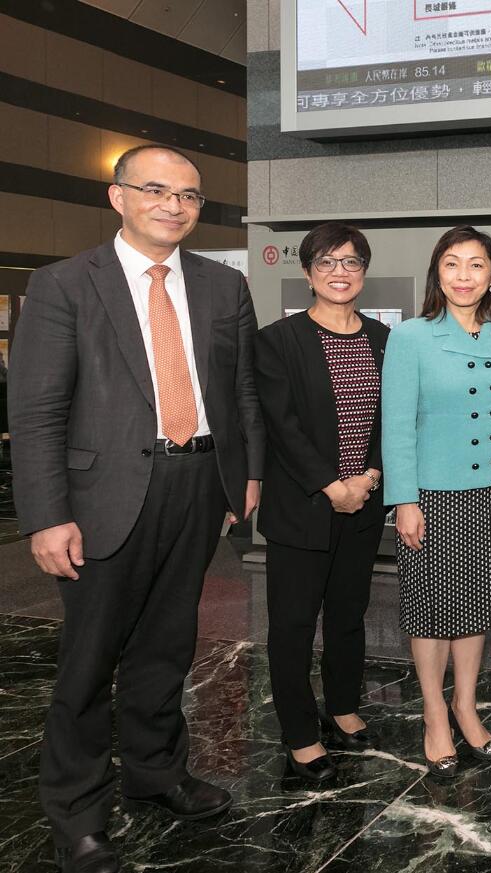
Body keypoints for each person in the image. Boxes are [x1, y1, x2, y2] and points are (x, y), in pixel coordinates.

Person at [9, 145, 263, 873]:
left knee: (168, 645)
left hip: (199, 485)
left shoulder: (223, 284)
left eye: (188, 195)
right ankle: (78, 814)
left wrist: (244, 475)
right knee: (89, 662)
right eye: (156, 190)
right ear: (117, 196)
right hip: (101, 499)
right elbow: (36, 412)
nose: (173, 206)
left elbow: (242, 390)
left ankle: (156, 773)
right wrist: (46, 515)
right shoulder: (63, 284)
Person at [381, 226, 491, 778]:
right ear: (437, 273)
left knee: (478, 604)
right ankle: (434, 712)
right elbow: (397, 424)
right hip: (432, 495)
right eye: (452, 264)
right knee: (432, 608)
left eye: (476, 265)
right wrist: (404, 500)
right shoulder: (411, 336)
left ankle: (466, 706)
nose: (464, 276)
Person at [254, 222, 390, 783]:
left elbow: (394, 417)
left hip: (365, 503)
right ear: (308, 272)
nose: (340, 272)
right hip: (303, 507)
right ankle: (299, 733)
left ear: (364, 272)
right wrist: (333, 486)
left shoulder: (383, 338)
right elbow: (282, 427)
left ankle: (342, 706)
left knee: (348, 615)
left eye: (351, 262)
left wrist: (371, 477)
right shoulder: (278, 340)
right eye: (327, 262)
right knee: (292, 624)